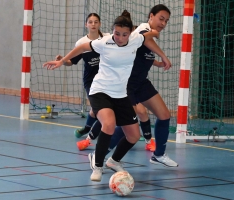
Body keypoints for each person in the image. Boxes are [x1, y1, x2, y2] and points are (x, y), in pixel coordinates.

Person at [43, 10, 171, 182]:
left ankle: (114, 160)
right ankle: (97, 165)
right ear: (113, 31)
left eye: (124, 34)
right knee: (109, 124)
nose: (119, 37)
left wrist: (155, 33)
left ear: (130, 33)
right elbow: (82, 47)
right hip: (100, 91)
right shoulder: (104, 41)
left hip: (120, 94)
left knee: (133, 135)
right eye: (117, 33)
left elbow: (150, 35)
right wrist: (61, 61)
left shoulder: (135, 40)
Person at [90, 4, 179, 168]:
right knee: (125, 125)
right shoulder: (142, 30)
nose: (163, 23)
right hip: (127, 85)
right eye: (161, 19)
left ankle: (158, 155)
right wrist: (164, 56)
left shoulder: (142, 37)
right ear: (151, 16)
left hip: (141, 82)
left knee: (164, 115)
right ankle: (100, 155)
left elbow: (140, 54)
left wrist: (158, 63)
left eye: (166, 21)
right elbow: (146, 39)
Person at [56, 13, 109, 139]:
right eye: (90, 22)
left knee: (102, 107)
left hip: (107, 79)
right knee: (97, 107)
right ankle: (92, 131)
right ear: (86, 25)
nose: (93, 24)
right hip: (91, 81)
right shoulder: (82, 42)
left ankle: (88, 128)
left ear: (100, 24)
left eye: (96, 22)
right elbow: (72, 62)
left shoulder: (107, 38)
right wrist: (63, 60)